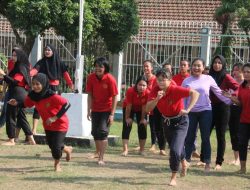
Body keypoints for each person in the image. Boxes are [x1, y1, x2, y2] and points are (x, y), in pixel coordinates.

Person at [8, 73, 72, 172]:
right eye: (33, 84)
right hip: (48, 125)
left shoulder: (52, 95)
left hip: (60, 124)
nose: (35, 86)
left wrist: (55, 118)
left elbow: (67, 104)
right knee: (52, 145)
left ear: (43, 83)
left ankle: (57, 164)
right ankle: (67, 149)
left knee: (55, 147)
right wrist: (16, 103)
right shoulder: (33, 96)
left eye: (38, 84)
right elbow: (26, 104)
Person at [146, 68, 199, 186]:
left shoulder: (175, 89)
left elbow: (195, 93)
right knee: (176, 148)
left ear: (170, 80)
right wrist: (157, 99)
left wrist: (188, 109)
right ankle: (184, 162)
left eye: (164, 80)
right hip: (167, 122)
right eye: (158, 80)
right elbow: (147, 109)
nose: (160, 82)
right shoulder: (155, 91)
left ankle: (173, 177)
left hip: (181, 122)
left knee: (174, 149)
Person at [182, 58, 231, 172]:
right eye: (194, 65)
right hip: (191, 113)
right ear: (191, 67)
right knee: (189, 138)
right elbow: (183, 97)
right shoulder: (186, 81)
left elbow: (218, 92)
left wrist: (231, 100)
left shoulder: (209, 79)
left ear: (203, 67)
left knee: (205, 138)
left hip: (206, 111)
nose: (196, 68)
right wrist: (184, 111)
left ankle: (207, 162)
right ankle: (186, 161)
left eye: (199, 65)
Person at [30, 44, 74, 135]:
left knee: (52, 108)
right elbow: (35, 70)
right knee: (38, 107)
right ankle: (33, 130)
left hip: (53, 87)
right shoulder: (41, 62)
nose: (47, 51)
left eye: (49, 50)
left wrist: (70, 84)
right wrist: (29, 74)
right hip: (42, 87)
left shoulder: (59, 62)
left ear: (53, 51)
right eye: (45, 50)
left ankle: (52, 129)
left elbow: (65, 74)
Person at [0, 49, 36, 145]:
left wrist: (3, 74)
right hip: (19, 94)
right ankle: (31, 139)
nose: (13, 57)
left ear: (20, 56)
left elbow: (16, 81)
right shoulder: (18, 66)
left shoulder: (21, 67)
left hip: (17, 94)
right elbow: (10, 79)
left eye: (15, 55)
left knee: (10, 115)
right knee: (21, 117)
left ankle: (11, 140)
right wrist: (3, 76)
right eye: (12, 55)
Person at [86, 57, 118, 165]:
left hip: (106, 110)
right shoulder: (90, 78)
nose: (98, 68)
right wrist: (88, 110)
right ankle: (98, 153)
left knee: (103, 132)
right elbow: (89, 95)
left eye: (100, 66)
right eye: (96, 66)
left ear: (105, 68)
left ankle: (101, 158)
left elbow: (114, 97)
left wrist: (112, 114)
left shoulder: (110, 79)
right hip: (95, 109)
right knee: (95, 133)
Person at [209, 55, 239, 170]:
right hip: (210, 107)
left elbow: (238, 87)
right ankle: (203, 159)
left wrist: (231, 96)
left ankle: (219, 162)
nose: (217, 65)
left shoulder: (226, 76)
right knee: (206, 133)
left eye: (219, 63)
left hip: (223, 108)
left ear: (223, 64)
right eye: (215, 62)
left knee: (220, 135)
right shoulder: (208, 76)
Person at [224, 63, 250, 174]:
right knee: (242, 144)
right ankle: (243, 168)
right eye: (245, 72)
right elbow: (239, 103)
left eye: (248, 72)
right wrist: (231, 97)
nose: (246, 74)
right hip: (244, 121)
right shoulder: (242, 86)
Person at [121, 76, 149, 156]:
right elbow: (128, 106)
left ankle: (142, 150)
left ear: (146, 86)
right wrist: (127, 118)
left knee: (142, 126)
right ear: (136, 85)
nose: (142, 87)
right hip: (129, 108)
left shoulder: (147, 93)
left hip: (141, 109)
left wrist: (143, 119)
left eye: (144, 85)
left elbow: (144, 107)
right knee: (127, 126)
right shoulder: (130, 91)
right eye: (140, 85)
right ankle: (125, 150)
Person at [143, 60, 166, 155]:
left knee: (161, 127)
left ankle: (162, 147)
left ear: (151, 68)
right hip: (148, 105)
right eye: (144, 66)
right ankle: (154, 144)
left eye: (147, 66)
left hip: (159, 106)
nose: (145, 68)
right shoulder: (142, 78)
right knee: (154, 127)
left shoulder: (155, 80)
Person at [228, 63, 244, 166]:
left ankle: (242, 159)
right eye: (234, 70)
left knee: (241, 135)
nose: (235, 72)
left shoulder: (245, 83)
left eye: (237, 69)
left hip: (243, 110)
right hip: (232, 110)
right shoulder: (231, 82)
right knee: (233, 134)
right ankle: (236, 158)